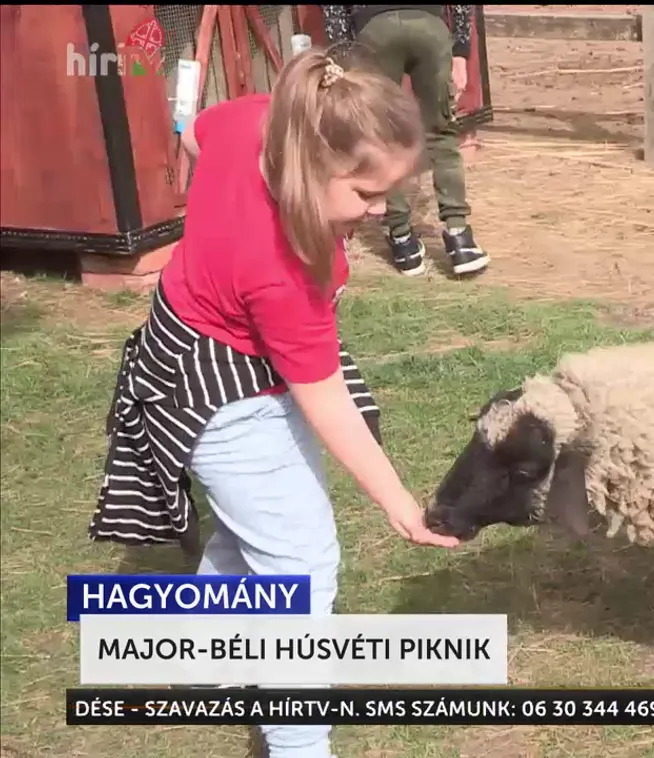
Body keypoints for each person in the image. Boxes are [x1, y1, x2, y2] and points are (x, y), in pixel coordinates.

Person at [86, 45, 462, 758]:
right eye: (364, 193)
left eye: (389, 192)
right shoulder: (283, 270)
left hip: (185, 344)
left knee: (252, 533)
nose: (379, 211)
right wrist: (398, 504)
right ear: (309, 165)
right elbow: (326, 402)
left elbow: (199, 133)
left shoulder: (267, 123)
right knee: (299, 569)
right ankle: (297, 746)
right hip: (226, 392)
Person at [321, 5, 489, 277]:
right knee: (441, 132)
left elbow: (333, 9)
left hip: (375, 29)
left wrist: (344, 57)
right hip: (428, 26)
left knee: (382, 136)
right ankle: (460, 239)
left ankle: (402, 241)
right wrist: (460, 49)